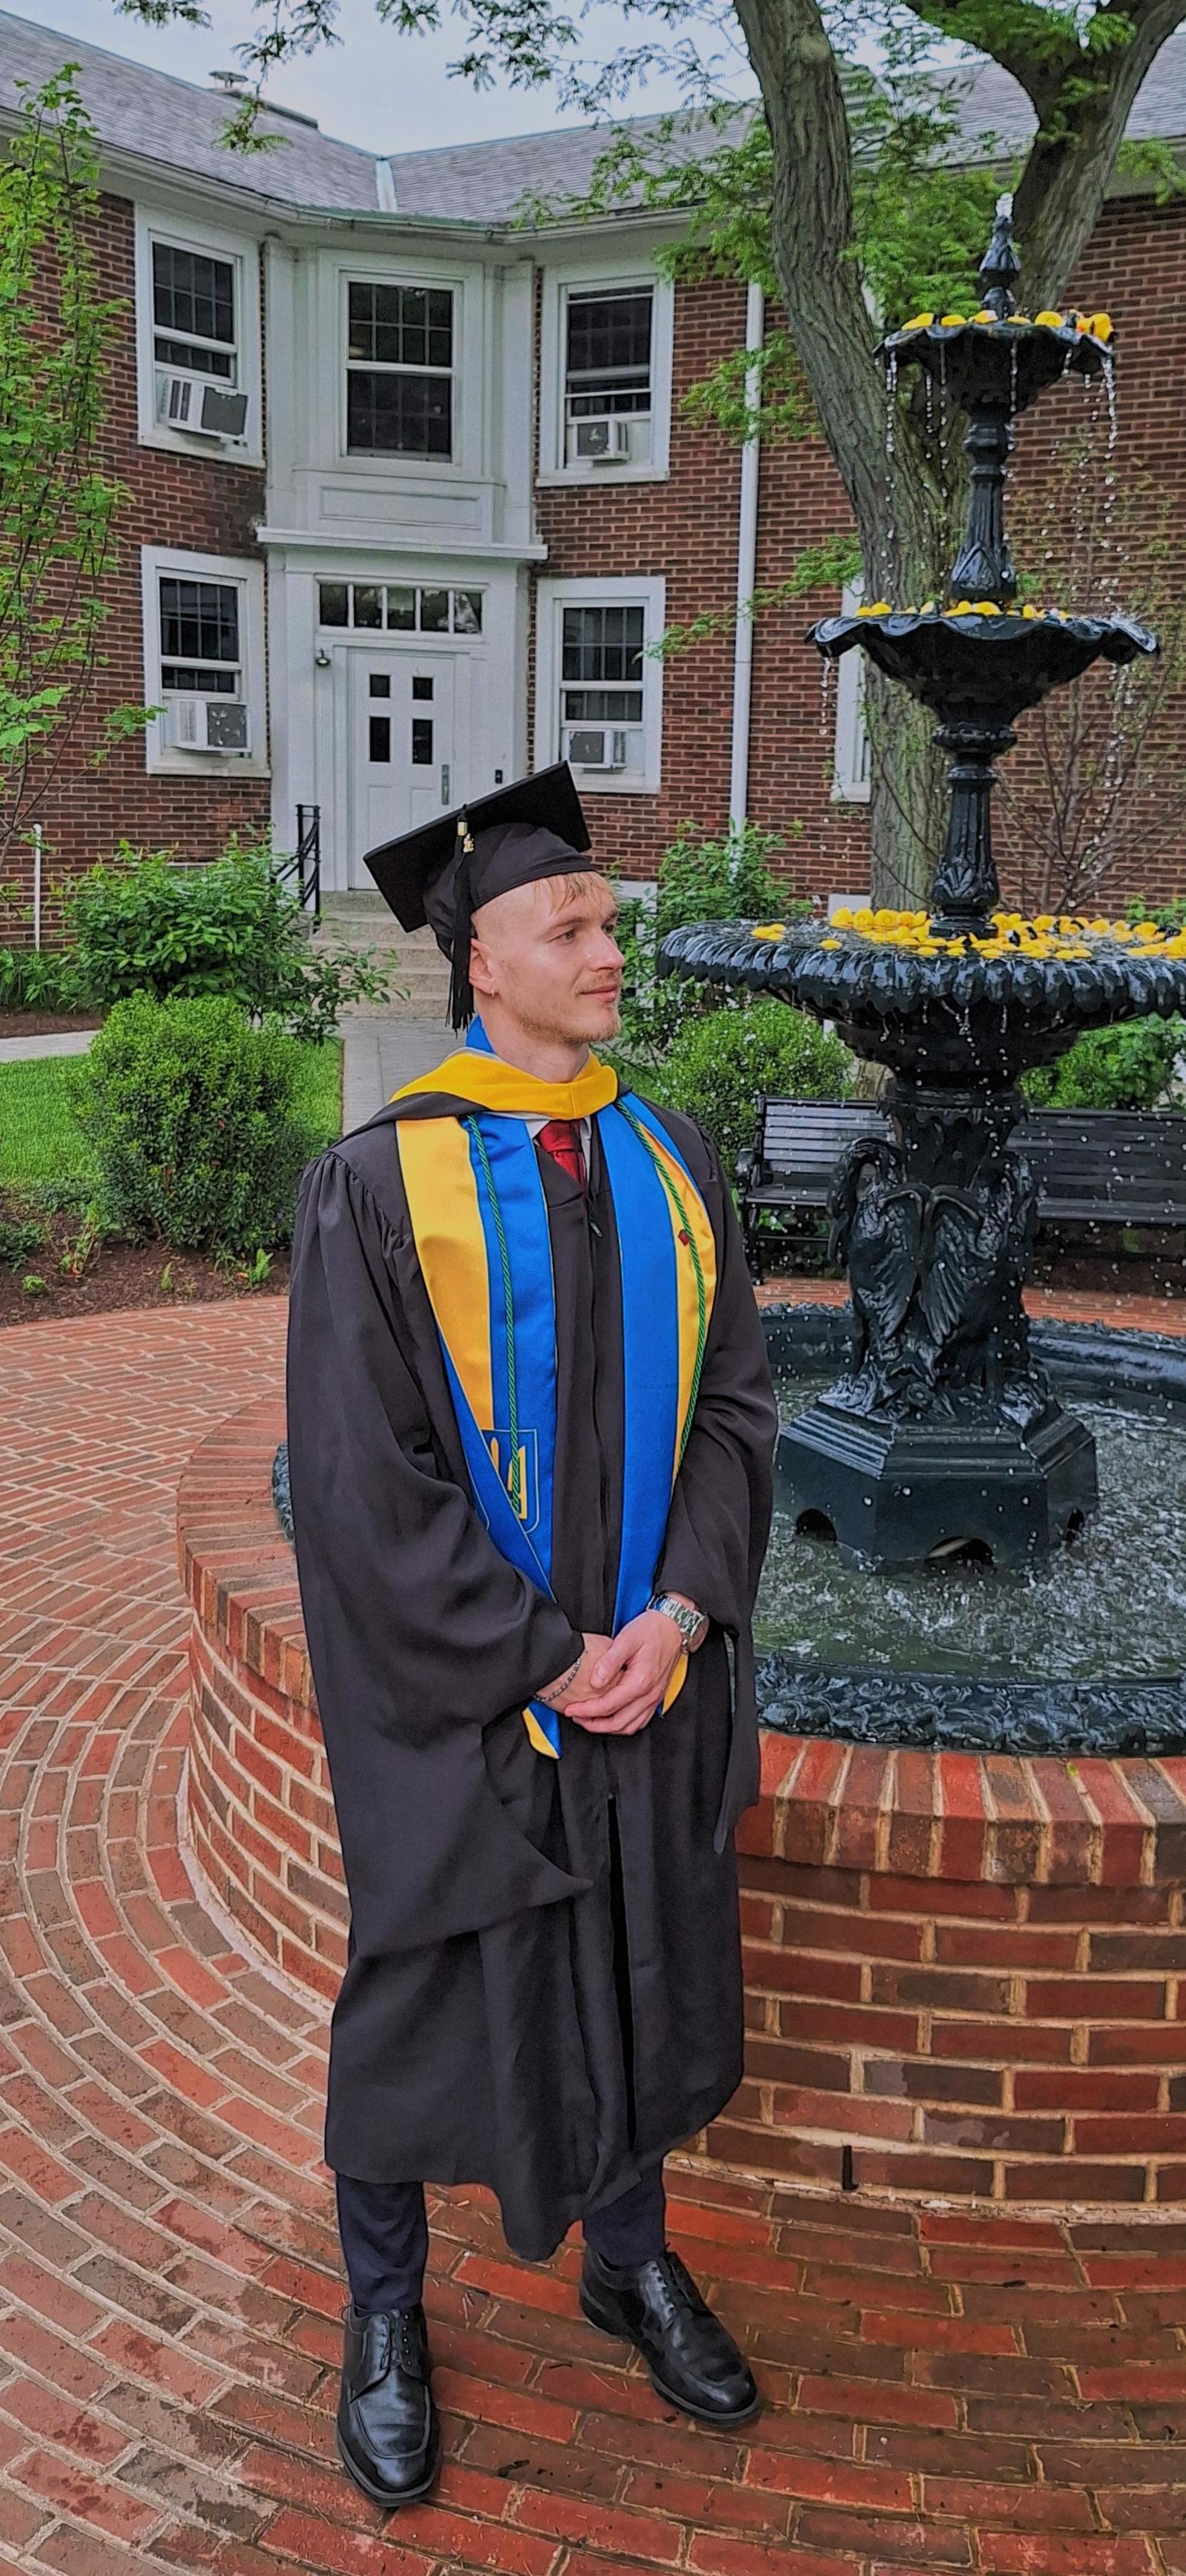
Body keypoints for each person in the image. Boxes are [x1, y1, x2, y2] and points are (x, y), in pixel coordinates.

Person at [285, 767, 778, 2509]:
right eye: (569, 924)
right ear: (480, 963)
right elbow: (359, 1484)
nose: (606, 947)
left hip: (642, 1666)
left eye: (608, 919)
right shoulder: (378, 1182)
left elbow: (735, 1408)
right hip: (469, 1702)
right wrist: (538, 1655)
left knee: (636, 1963)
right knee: (420, 2001)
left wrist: (678, 1609)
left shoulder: (668, 1152)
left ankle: (627, 2256)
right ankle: (389, 2311)